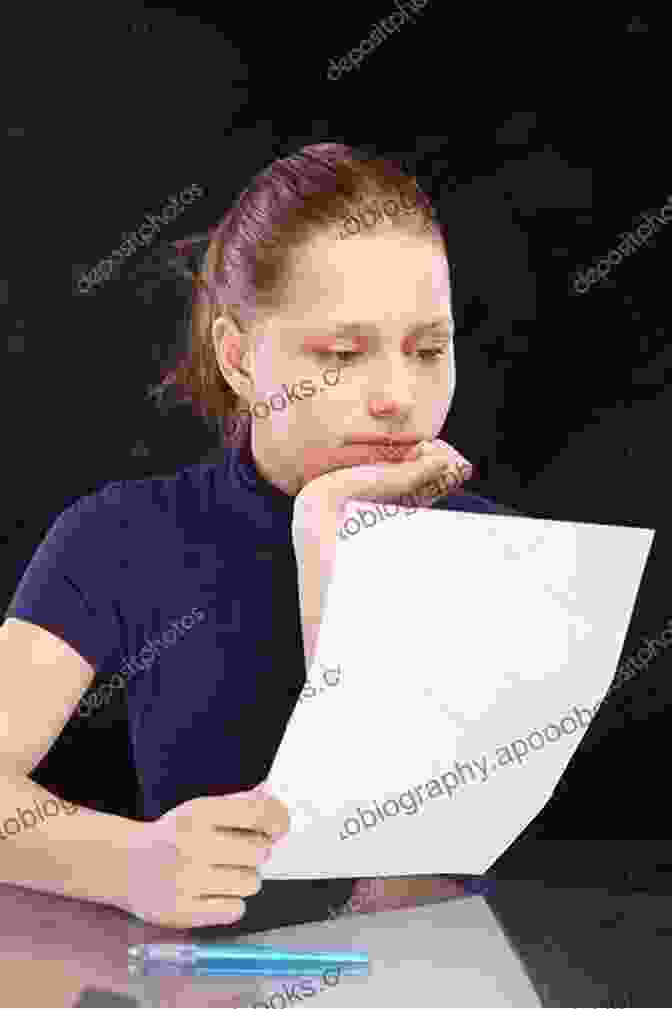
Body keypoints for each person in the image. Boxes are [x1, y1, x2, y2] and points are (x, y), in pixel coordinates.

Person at [0, 143, 518, 932]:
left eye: (428, 349)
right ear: (238, 358)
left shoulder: (489, 553)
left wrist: (327, 549)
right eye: (342, 355)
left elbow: (408, 892)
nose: (396, 395)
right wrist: (127, 861)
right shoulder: (121, 537)